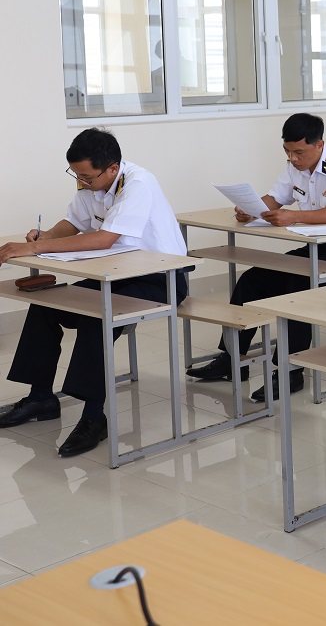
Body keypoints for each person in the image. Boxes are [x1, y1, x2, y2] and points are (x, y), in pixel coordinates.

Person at [0, 129, 188, 457]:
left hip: (161, 279)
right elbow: (73, 222)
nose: (81, 182)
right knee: (45, 304)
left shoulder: (139, 184)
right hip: (116, 274)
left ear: (112, 168)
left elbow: (104, 239)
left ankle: (93, 417)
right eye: (76, 175)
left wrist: (36, 249)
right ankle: (41, 398)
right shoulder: (93, 182)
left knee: (95, 317)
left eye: (87, 177)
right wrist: (44, 237)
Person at [186, 113, 326, 402]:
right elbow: (275, 199)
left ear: (319, 144)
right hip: (315, 248)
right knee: (252, 280)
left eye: (299, 152)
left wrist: (295, 216)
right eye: (287, 151)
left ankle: (290, 371)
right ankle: (231, 358)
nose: (293, 158)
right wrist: (251, 210)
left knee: (296, 289)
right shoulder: (293, 166)